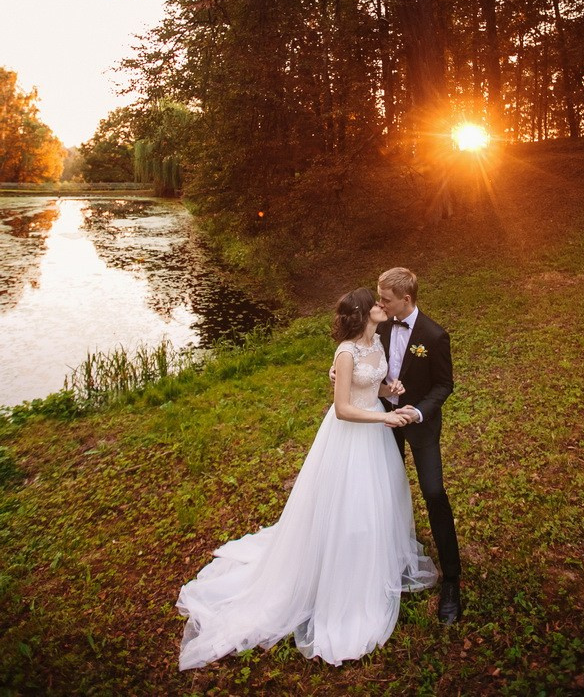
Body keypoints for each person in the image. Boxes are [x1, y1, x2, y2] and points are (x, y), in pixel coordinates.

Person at [177, 287, 437, 670]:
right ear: (365, 312)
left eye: (384, 302)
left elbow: (373, 383)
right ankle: (337, 573)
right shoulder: (346, 351)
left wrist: (389, 389)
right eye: (376, 303)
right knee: (347, 504)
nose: (382, 306)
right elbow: (344, 407)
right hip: (351, 433)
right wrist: (384, 415)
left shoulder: (376, 339)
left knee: (375, 501)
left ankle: (373, 560)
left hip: (375, 435)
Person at [376, 267, 462, 623]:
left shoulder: (434, 335)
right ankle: (388, 559)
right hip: (382, 421)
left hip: (419, 425)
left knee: (434, 491)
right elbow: (362, 358)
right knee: (384, 489)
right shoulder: (380, 324)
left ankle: (452, 580)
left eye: (385, 298)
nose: (379, 303)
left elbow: (444, 385)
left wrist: (418, 412)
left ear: (406, 300)